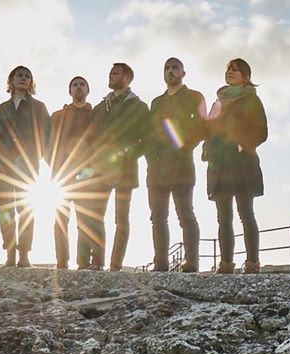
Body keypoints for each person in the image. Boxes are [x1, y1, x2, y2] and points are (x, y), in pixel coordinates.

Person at [0, 65, 51, 268]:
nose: (23, 78)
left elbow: (47, 134)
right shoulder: (1, 109)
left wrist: (37, 155)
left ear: (31, 82)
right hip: (1, 168)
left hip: (26, 167)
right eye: (19, 75)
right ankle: (10, 253)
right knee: (6, 211)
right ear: (11, 81)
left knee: (26, 210)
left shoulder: (38, 107)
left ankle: (24, 255)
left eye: (27, 76)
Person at [204, 58, 268, 274]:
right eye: (228, 69)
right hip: (219, 164)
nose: (230, 72)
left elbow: (261, 131)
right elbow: (209, 129)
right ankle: (226, 263)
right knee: (223, 215)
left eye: (235, 70)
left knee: (245, 212)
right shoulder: (218, 101)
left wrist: (243, 145)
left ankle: (252, 263)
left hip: (241, 162)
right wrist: (207, 150)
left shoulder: (251, 99)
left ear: (246, 76)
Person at [87, 63, 149, 271]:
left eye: (115, 74)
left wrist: (127, 155)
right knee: (96, 216)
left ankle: (115, 265)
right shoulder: (100, 107)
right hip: (101, 171)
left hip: (126, 169)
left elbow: (145, 139)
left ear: (127, 78)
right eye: (110, 73)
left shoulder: (139, 107)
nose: (111, 76)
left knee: (121, 218)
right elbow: (90, 138)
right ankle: (97, 262)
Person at [146, 57, 206, 272]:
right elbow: (150, 133)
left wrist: (182, 147)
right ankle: (160, 263)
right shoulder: (156, 102)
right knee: (158, 218)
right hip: (157, 170)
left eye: (175, 68)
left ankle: (191, 262)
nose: (170, 71)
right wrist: (151, 157)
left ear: (183, 73)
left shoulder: (194, 97)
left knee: (185, 215)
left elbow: (201, 128)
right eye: (167, 68)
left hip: (182, 166)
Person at [47, 76, 96, 269]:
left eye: (82, 84)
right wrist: (54, 163)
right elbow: (47, 143)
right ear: (69, 91)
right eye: (74, 85)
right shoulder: (58, 116)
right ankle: (61, 262)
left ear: (87, 90)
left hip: (86, 176)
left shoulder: (94, 114)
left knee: (84, 222)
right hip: (61, 176)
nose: (78, 88)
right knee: (60, 221)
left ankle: (83, 262)